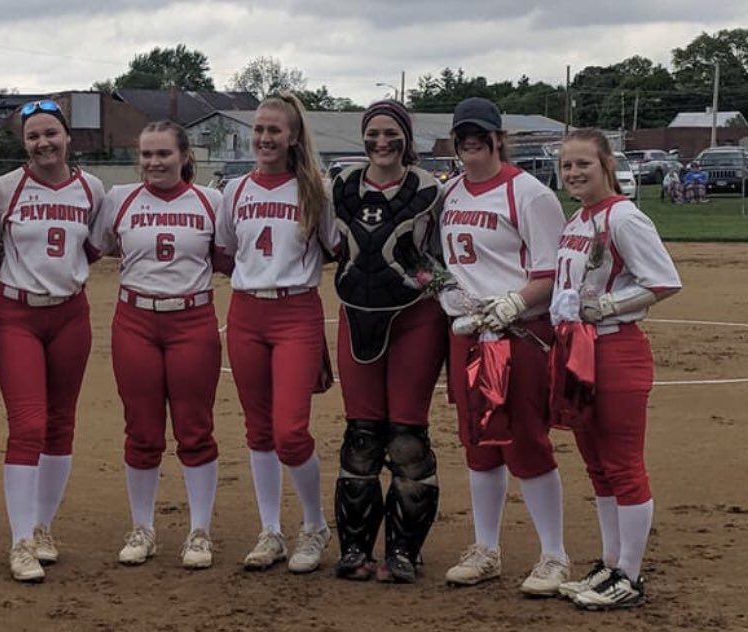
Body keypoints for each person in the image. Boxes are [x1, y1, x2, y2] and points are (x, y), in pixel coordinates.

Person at [438, 97, 570, 596]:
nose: (471, 145)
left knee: (526, 441)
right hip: (469, 335)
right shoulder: (450, 193)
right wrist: (449, 293)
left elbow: (551, 272)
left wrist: (514, 303)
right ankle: (485, 548)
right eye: (462, 137)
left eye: (480, 136)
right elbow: (446, 262)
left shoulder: (528, 194)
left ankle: (554, 554)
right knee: (477, 442)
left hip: (518, 336)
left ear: (498, 138)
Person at [553, 128, 681, 610]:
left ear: (607, 163)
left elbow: (664, 281)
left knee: (623, 464)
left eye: (583, 164)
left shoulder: (623, 217)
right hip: (578, 350)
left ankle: (630, 574)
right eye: (567, 165)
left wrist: (604, 306)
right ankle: (610, 565)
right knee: (597, 465)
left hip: (615, 349)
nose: (573, 173)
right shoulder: (578, 219)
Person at [0, 99, 105, 582]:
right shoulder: (3, 189)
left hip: (71, 313)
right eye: (33, 136)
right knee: (28, 424)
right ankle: (20, 542)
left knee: (60, 423)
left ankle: (42, 526)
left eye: (50, 133)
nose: (43, 143)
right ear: (24, 143)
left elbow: (90, 248)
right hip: (16, 315)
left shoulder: (91, 189)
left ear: (67, 137)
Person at [215, 93, 340, 574]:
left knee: (291, 430)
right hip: (247, 312)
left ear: (292, 136)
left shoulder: (314, 190)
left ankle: (314, 525)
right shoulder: (236, 190)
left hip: (296, 312)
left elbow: (334, 248)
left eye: (275, 130)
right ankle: (270, 530)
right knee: (259, 430)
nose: (265, 139)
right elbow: (226, 252)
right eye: (259, 130)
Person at [92, 121, 223, 569]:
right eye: (146, 154)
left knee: (194, 427)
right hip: (135, 320)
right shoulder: (120, 198)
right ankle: (142, 527)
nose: (153, 163)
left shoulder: (210, 200)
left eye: (163, 154)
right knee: (142, 429)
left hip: (192, 318)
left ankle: (199, 531)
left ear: (185, 156)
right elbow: (98, 247)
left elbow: (226, 257)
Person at [329, 100, 449, 583]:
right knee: (360, 438)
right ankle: (355, 549)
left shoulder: (431, 190)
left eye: (391, 134)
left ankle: (402, 551)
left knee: (406, 440)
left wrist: (433, 283)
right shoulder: (340, 185)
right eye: (373, 134)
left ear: (407, 138)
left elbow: (443, 256)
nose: (381, 143)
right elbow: (328, 244)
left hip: (413, 319)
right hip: (357, 316)